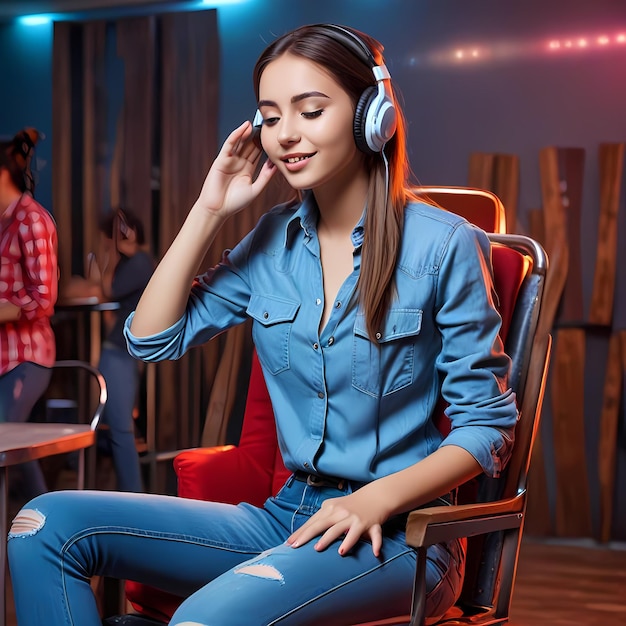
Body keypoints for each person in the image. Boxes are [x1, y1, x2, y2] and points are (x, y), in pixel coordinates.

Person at [8, 24, 518, 625]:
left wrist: (374, 499)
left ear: (371, 116)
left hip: (400, 540)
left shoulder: (446, 245)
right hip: (283, 516)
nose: (286, 136)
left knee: (205, 618)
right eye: (271, 117)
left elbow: (487, 428)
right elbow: (149, 338)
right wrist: (209, 207)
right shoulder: (271, 242)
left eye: (310, 110)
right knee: (42, 526)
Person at [0, 128, 58, 501]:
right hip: (5, 357)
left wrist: (4, 309)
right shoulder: (5, 221)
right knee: (13, 450)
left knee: (7, 440)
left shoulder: (31, 219)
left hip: (27, 356)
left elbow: (44, 298)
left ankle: (47, 527)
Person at [90, 208, 155, 492]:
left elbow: (108, 289)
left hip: (120, 351)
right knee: (110, 427)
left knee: (120, 429)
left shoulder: (139, 262)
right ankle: (123, 492)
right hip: (117, 350)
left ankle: (134, 496)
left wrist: (109, 256)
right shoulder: (135, 262)